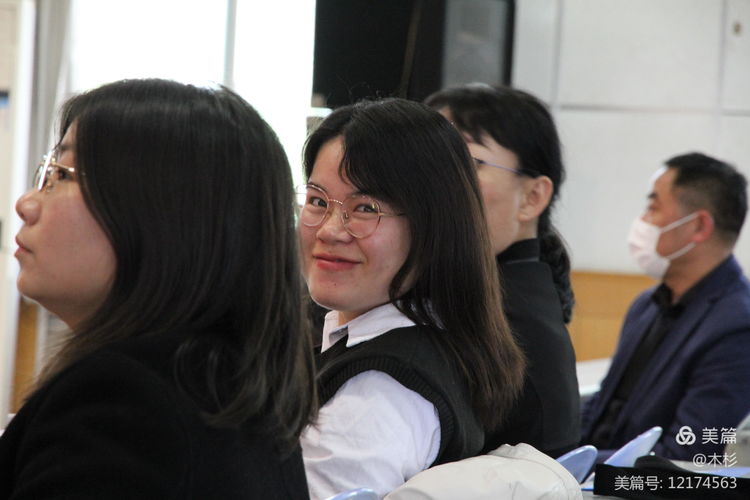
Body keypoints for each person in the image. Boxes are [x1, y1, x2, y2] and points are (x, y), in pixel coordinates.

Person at [0, 79, 316, 498]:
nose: (26, 204)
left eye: (60, 175)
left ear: (167, 217)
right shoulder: (227, 388)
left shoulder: (124, 405)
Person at [298, 98, 525, 499]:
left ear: (431, 226)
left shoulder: (378, 392)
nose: (330, 230)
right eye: (317, 201)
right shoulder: (428, 332)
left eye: (365, 208)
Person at [425, 83, 580, 457]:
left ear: (532, 197)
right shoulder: (498, 292)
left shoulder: (495, 315)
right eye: (427, 159)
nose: (431, 180)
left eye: (467, 162)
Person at [581, 152, 750, 461]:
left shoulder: (738, 327)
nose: (641, 222)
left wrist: (577, 464)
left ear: (698, 226)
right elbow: (601, 408)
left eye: (653, 207)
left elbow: (688, 456)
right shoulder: (646, 305)